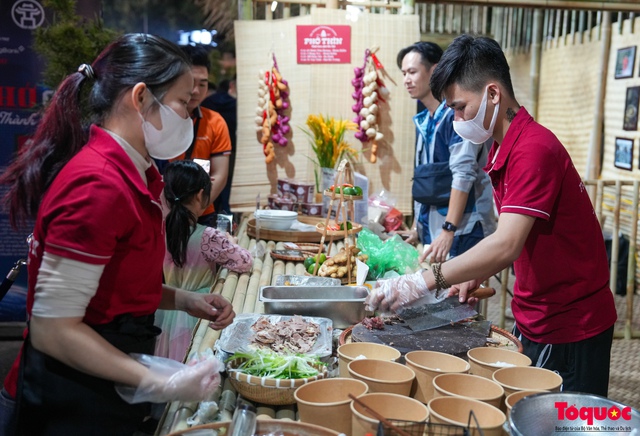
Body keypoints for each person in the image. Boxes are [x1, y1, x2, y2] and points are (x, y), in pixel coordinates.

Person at [0, 34, 235, 435]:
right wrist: (164, 380)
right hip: (71, 391)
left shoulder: (139, 173)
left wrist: (184, 300)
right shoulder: (98, 184)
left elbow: (113, 282)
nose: (190, 117)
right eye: (182, 103)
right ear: (141, 97)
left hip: (108, 374)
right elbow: (54, 329)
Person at [367, 34, 617, 397]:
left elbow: (507, 244)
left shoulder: (534, 150)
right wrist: (475, 272)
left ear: (493, 94)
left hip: (570, 323)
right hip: (536, 312)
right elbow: (517, 234)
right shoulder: (505, 147)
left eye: (459, 107)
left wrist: (422, 281)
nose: (455, 119)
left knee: (561, 422)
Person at [394, 41, 496, 263]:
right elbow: (428, 179)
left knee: (460, 294)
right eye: (403, 73)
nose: (406, 80)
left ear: (435, 70)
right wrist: (417, 227)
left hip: (463, 229)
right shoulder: (426, 119)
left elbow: (464, 173)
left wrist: (449, 229)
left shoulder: (457, 115)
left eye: (412, 72)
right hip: (436, 229)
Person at [156, 160, 252, 362]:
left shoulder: (158, 231)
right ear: (201, 195)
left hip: (166, 310)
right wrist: (229, 241)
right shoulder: (208, 236)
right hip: (197, 312)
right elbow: (244, 261)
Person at [172, 44, 232, 227]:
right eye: (191, 83)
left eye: (203, 84)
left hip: (202, 215)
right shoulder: (159, 119)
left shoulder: (215, 122)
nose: (196, 91)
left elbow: (219, 174)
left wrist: (195, 209)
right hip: (161, 213)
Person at [201, 77, 238, 215]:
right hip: (229, 152)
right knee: (225, 187)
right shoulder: (236, 105)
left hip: (204, 153)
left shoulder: (207, 103)